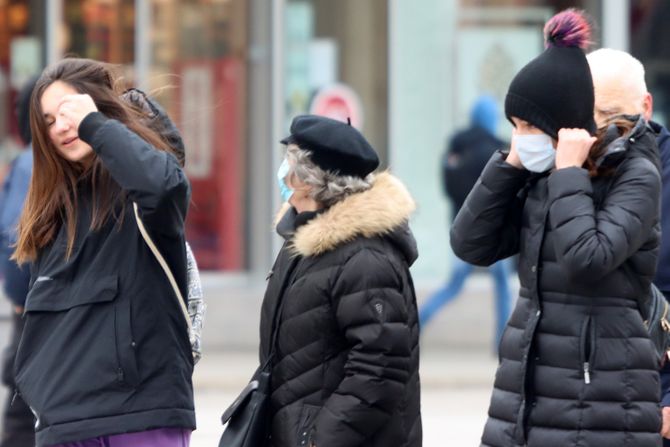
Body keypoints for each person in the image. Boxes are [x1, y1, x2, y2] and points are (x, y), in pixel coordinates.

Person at [451, 10, 662, 446]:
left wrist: (569, 174)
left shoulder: (637, 175)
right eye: (516, 128)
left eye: (530, 127)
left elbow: (588, 258)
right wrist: (510, 163)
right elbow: (470, 242)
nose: (522, 136)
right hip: (526, 397)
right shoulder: (543, 174)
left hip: (600, 404)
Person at [11, 58, 195, 446]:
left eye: (69, 111)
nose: (60, 127)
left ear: (97, 107)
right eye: (47, 120)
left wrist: (94, 126)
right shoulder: (54, 210)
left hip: (141, 413)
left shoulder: (140, 193)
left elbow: (163, 186)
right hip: (63, 421)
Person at [259, 114, 421, 447]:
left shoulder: (365, 258)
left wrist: (319, 439)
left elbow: (380, 369)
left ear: (309, 179)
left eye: (289, 163)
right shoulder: (301, 239)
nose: (282, 173)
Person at [587, 47, 670, 444]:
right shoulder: (570, 171)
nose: (601, 128)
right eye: (591, 115)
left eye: (613, 113)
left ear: (646, 107)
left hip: (657, 398)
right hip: (581, 399)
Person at [419, 95, 512, 347]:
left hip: (462, 228)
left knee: (453, 285)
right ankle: (501, 343)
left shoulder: (456, 148)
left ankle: (417, 322)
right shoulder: (498, 149)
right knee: (503, 287)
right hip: (495, 230)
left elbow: (449, 188)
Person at [0, 76, 37, 447]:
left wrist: (19, 294)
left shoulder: (29, 162)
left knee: (22, 414)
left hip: (34, 308)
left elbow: (15, 237)